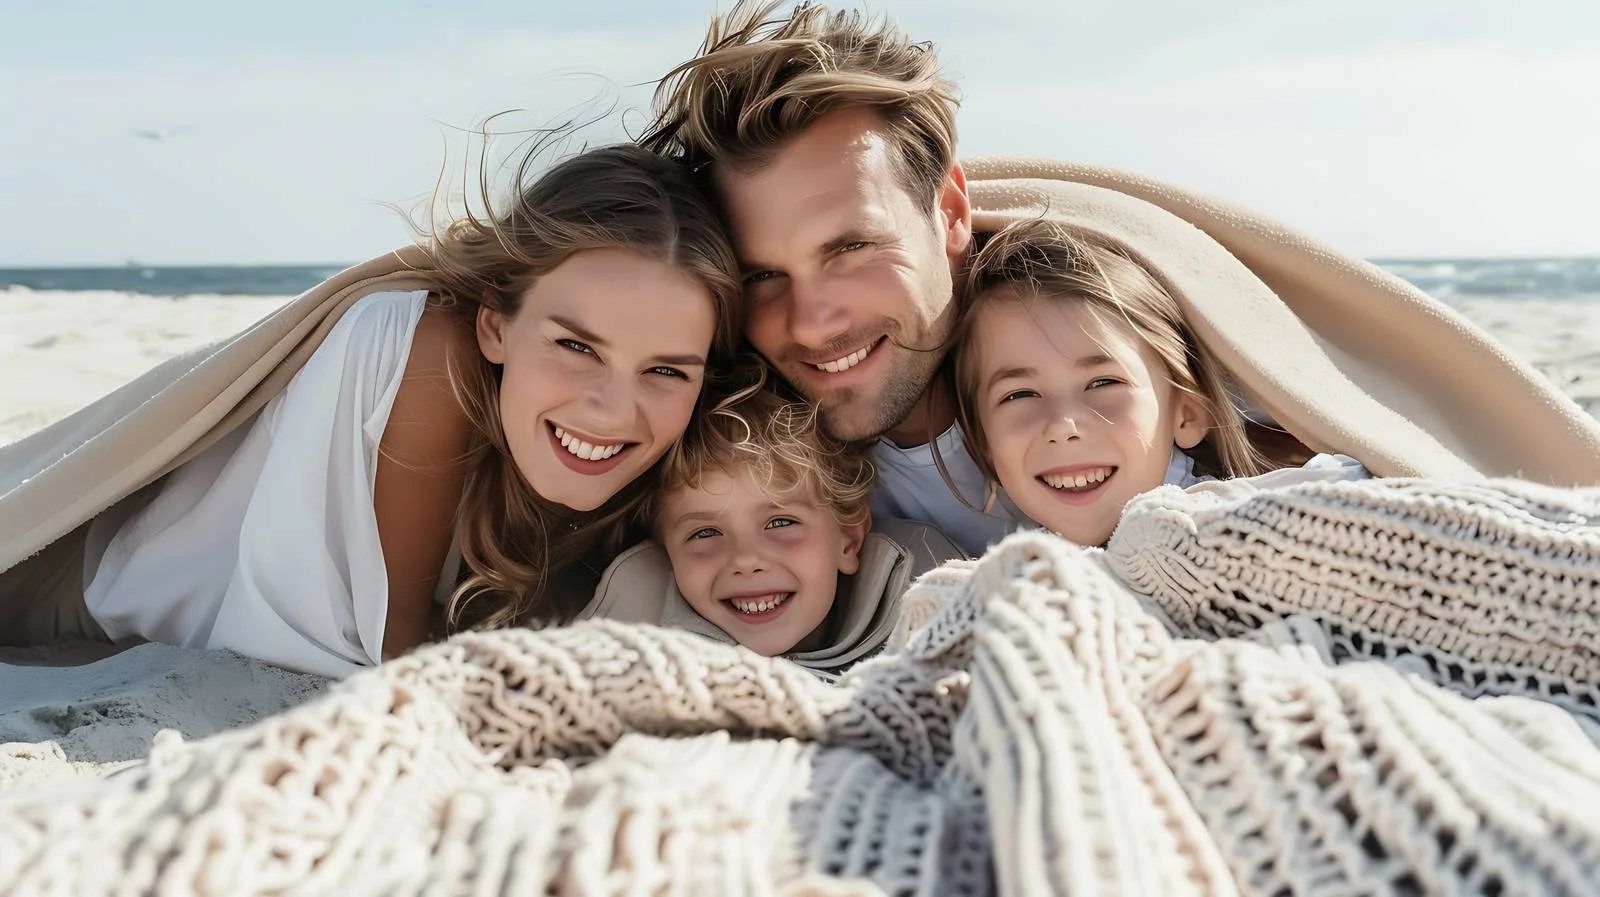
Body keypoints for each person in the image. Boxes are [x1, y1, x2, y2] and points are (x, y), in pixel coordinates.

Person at [64, 144, 742, 677]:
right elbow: (397, 662)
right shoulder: (429, 348)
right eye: (575, 345)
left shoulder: (669, 455)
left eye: (664, 370)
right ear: (494, 326)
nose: (612, 410)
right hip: (75, 590)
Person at [638, 0, 1014, 557]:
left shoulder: (1121, 370)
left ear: (951, 214)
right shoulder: (714, 456)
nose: (812, 326)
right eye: (763, 274)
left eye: (851, 248)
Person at [951, 220, 1366, 546]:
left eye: (1102, 383)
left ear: (1187, 412)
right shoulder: (1007, 578)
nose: (1062, 426)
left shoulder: (1247, 520)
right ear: (985, 444)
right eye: (1019, 394)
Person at [573, 358, 956, 677]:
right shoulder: (632, 644)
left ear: (849, 540)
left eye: (780, 523)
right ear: (667, 553)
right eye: (705, 532)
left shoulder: (931, 606)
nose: (745, 560)